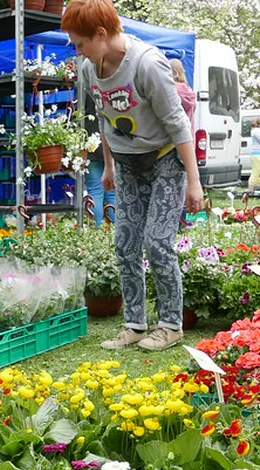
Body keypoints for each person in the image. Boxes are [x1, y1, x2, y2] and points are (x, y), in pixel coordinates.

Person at [62, 0, 204, 352]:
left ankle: (171, 325)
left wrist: (194, 180)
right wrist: (109, 165)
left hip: (165, 160)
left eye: (80, 43)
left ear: (100, 34)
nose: (76, 50)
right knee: (125, 245)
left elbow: (177, 123)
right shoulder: (89, 68)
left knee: (157, 243)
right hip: (127, 164)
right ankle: (135, 324)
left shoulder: (146, 63)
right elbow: (106, 118)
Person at [83, 90, 114, 224]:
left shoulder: (86, 86)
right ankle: (116, 231)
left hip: (91, 145)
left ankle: (97, 232)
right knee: (112, 192)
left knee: (95, 190)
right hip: (113, 144)